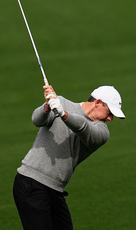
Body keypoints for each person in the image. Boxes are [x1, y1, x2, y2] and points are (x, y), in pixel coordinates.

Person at [13, 84, 126, 230]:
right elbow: (37, 120)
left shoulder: (102, 132)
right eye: (110, 113)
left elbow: (83, 127)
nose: (110, 119)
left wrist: (63, 113)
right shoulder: (61, 102)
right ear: (97, 103)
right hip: (31, 183)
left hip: (55, 191)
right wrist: (46, 108)